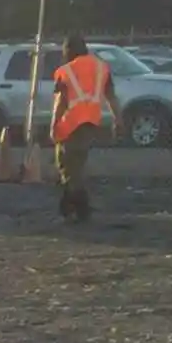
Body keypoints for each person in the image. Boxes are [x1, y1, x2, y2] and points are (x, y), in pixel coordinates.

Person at [50, 34, 123, 222]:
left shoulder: (66, 71)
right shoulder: (101, 68)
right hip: (90, 123)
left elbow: (61, 102)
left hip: (70, 123)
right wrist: (118, 120)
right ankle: (69, 207)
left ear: (68, 51)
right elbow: (111, 97)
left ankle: (79, 208)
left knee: (66, 166)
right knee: (76, 165)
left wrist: (53, 125)